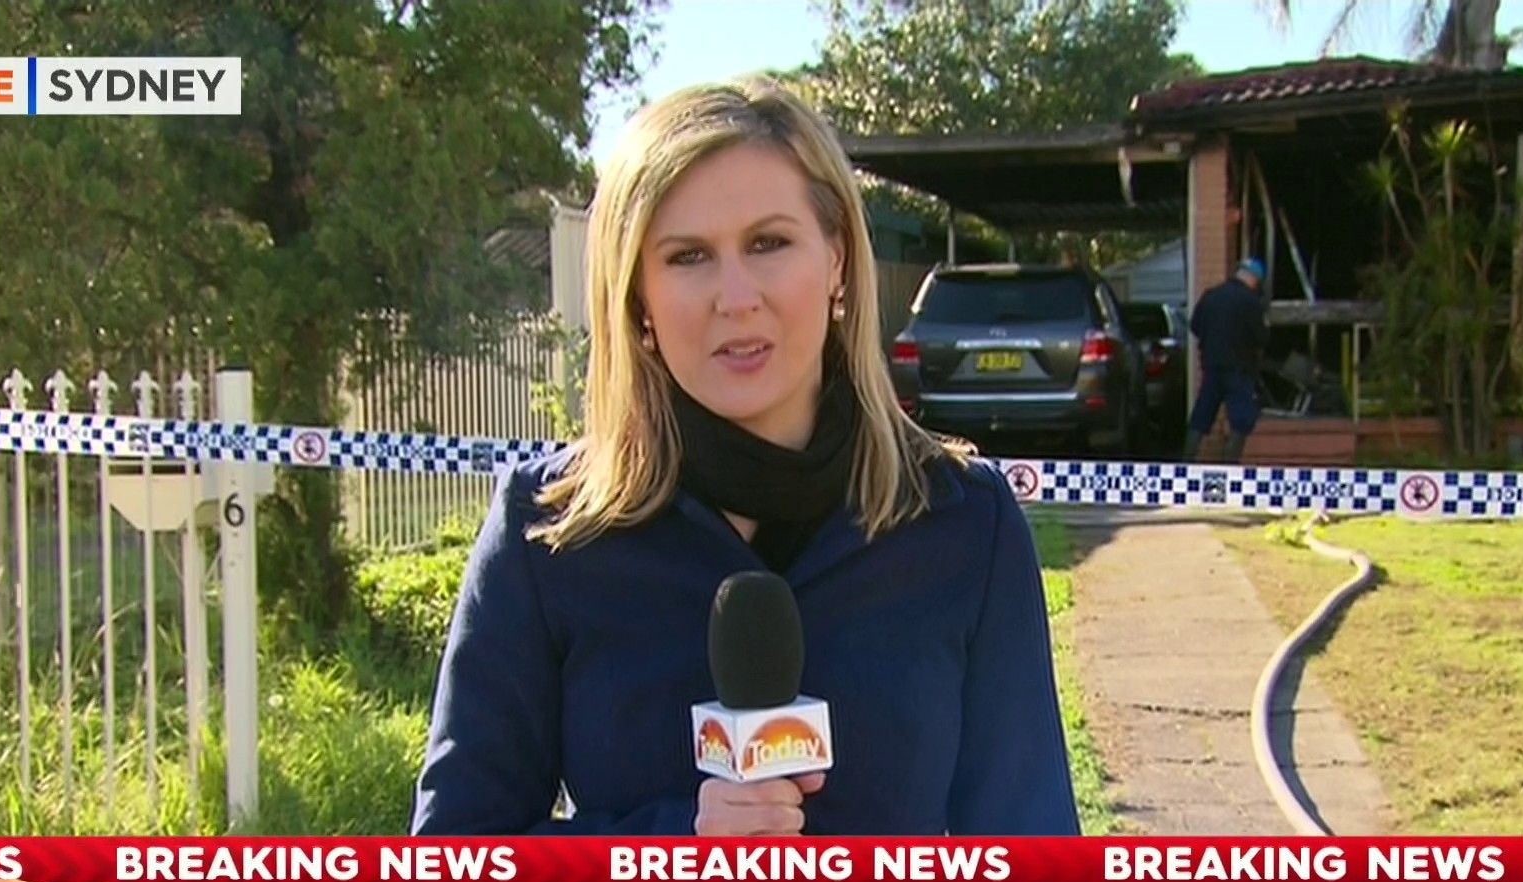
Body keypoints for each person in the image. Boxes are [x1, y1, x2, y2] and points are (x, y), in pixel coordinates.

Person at [409, 79, 1079, 838]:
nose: (735, 296)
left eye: (768, 244)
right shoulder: (548, 530)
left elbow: (1035, 869)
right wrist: (673, 849)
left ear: (836, 259)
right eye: (688, 256)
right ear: (637, 298)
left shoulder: (963, 523)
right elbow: (455, 863)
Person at [1181, 257, 1269, 464]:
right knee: (1241, 420)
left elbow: (1195, 326)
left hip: (1211, 366)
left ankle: (1186, 464)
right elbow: (1262, 338)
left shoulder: (1211, 296)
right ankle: (1230, 466)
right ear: (1253, 279)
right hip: (1239, 369)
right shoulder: (1250, 301)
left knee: (1201, 417)